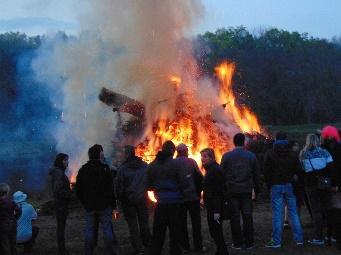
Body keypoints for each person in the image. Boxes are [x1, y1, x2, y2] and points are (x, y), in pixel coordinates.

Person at [220, 133, 260, 250]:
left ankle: (237, 243)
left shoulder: (226, 156)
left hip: (232, 191)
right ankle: (249, 242)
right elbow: (256, 174)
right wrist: (257, 190)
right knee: (247, 216)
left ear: (234, 142)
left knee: (235, 217)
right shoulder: (251, 156)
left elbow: (221, 174)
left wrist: (224, 190)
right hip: (247, 190)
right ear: (244, 142)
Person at [76, 144, 118, 255]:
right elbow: (110, 189)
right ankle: (111, 251)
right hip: (104, 206)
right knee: (107, 229)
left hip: (90, 206)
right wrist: (114, 205)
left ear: (89, 156)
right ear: (99, 155)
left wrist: (84, 202)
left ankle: (88, 252)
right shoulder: (105, 169)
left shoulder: (83, 169)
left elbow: (78, 189)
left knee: (89, 230)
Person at [264, 131, 304, 248]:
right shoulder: (292, 153)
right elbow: (299, 170)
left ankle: (276, 241)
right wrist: (293, 179)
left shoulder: (270, 153)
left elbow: (266, 171)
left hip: (276, 186)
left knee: (277, 214)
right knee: (293, 213)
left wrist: (269, 184)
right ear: (286, 139)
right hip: (289, 185)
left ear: (276, 139)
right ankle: (299, 239)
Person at [146, 141, 186, 255]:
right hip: (175, 203)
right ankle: (175, 251)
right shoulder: (176, 165)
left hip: (161, 204)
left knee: (158, 232)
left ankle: (155, 251)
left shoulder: (152, 165)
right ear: (172, 151)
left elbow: (149, 185)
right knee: (175, 232)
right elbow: (183, 182)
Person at [300, 133, 337, 246]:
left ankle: (318, 237)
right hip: (325, 184)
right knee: (328, 209)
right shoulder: (325, 152)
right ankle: (331, 235)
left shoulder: (303, 154)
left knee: (316, 212)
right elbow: (331, 168)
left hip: (311, 185)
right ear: (317, 141)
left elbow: (303, 170)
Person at [116, 145, 151, 255]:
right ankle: (148, 245)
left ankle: (138, 248)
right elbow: (149, 182)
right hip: (142, 199)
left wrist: (120, 198)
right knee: (144, 223)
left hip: (129, 201)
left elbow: (119, 186)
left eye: (123, 153)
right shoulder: (144, 166)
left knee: (133, 225)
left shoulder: (122, 169)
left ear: (127, 154)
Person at [174, 143, 205, 253]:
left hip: (179, 199)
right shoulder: (191, 162)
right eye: (186, 150)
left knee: (181, 223)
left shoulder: (173, 163)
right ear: (185, 151)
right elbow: (200, 177)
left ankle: (185, 246)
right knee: (196, 223)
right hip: (193, 198)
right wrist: (199, 191)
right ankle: (198, 246)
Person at [201, 148, 229, 255]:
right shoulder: (210, 169)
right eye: (202, 156)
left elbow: (218, 192)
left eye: (205, 157)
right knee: (214, 231)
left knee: (216, 231)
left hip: (215, 207)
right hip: (212, 205)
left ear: (211, 158)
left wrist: (217, 211)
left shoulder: (215, 171)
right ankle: (220, 250)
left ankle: (223, 251)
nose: (202, 159)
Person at [320, 126, 341, 247]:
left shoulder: (324, 150)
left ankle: (333, 236)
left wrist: (334, 183)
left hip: (330, 184)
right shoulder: (338, 148)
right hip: (337, 183)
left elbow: (328, 168)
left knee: (333, 210)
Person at [49, 153, 72, 255]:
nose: (68, 162)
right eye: (67, 160)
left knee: (61, 227)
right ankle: (62, 251)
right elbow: (58, 190)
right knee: (61, 227)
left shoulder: (58, 172)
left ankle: (62, 249)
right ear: (62, 161)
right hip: (61, 205)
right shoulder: (58, 173)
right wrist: (69, 194)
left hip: (61, 204)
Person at [0, 183, 21, 255]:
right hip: (12, 224)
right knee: (13, 244)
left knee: (5, 245)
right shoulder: (12, 201)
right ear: (7, 191)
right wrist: (15, 218)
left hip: (2, 226)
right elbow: (19, 211)